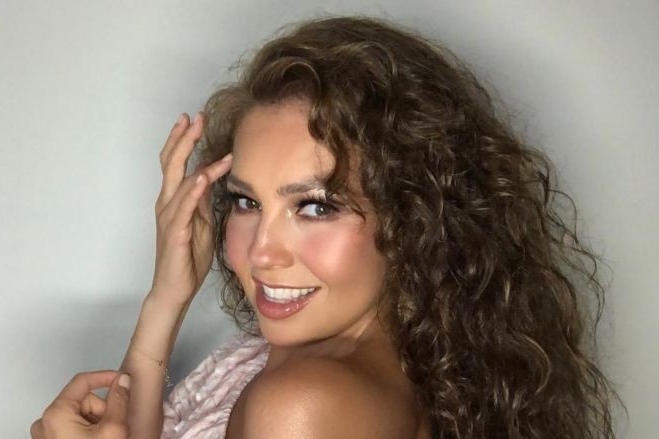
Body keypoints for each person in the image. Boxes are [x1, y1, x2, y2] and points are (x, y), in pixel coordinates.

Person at [30, 15, 621, 439]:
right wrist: (168, 294)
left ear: (413, 216)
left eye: (315, 207)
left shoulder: (302, 407)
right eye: (246, 202)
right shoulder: (371, 359)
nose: (262, 253)